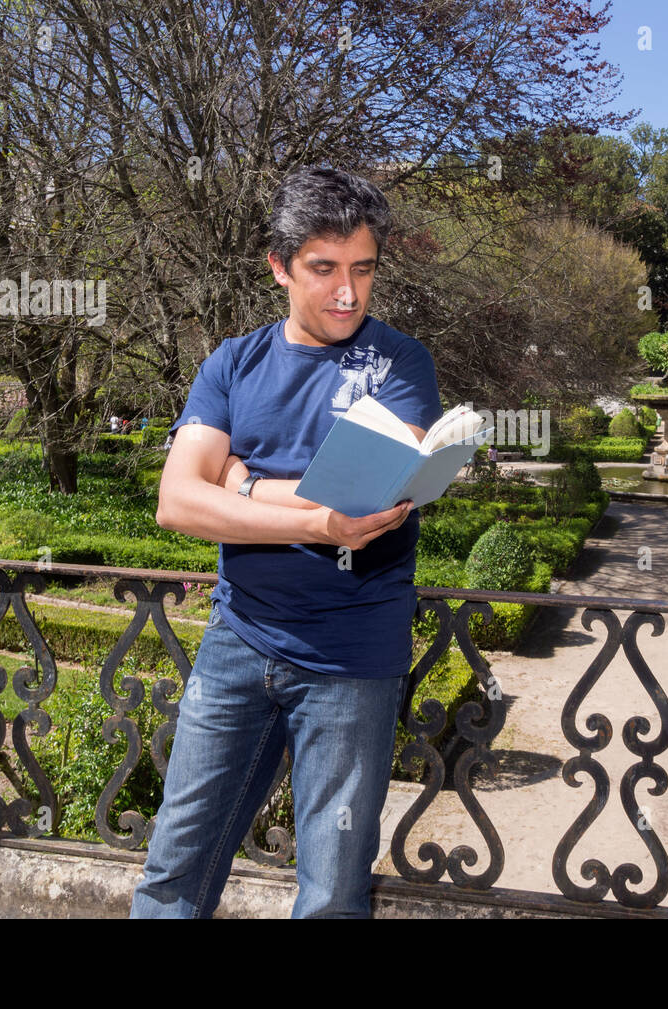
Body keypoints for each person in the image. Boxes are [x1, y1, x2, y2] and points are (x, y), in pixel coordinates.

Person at [130, 167, 442, 919]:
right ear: (279, 266)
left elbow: (368, 497)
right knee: (173, 869)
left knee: (332, 894)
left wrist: (240, 485)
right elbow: (177, 500)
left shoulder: (401, 364)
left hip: (351, 660)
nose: (348, 291)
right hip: (236, 642)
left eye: (362, 270)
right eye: (324, 268)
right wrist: (310, 515)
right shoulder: (232, 362)